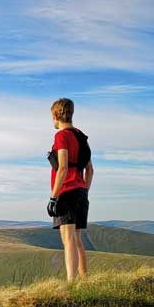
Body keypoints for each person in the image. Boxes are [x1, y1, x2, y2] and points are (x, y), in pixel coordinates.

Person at [46, 98, 94, 281]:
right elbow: (90, 169)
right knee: (77, 238)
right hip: (81, 191)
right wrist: (84, 191)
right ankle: (84, 279)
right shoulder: (81, 136)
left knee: (68, 240)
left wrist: (53, 197)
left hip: (66, 192)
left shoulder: (61, 136)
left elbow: (63, 167)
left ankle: (71, 283)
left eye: (52, 117)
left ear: (56, 115)